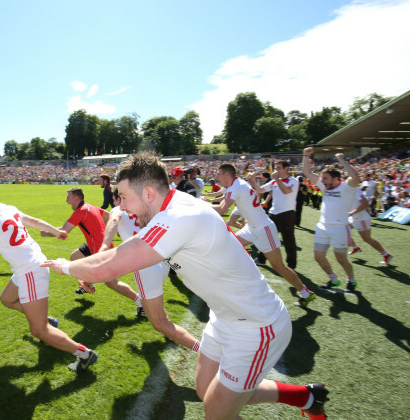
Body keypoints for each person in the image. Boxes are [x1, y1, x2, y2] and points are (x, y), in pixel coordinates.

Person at [42, 152, 329, 420]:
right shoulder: (171, 207)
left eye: (125, 197)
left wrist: (64, 266)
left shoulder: (179, 217)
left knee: (216, 408)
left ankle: (304, 398)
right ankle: (306, 397)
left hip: (256, 324)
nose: (122, 206)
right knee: (206, 392)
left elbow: (111, 266)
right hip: (224, 316)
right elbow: (127, 250)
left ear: (150, 193)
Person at [0, 177, 98, 372]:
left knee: (38, 331)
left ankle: (85, 354)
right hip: (27, 267)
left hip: (30, 270)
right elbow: (35, 222)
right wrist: (55, 232)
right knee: (7, 299)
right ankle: (45, 319)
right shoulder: (7, 208)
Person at [101, 187, 201, 351]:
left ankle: (203, 350)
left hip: (144, 267)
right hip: (160, 260)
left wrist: (105, 245)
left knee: (159, 323)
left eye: (114, 199)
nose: (114, 203)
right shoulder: (143, 207)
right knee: (158, 314)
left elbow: (113, 220)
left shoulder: (118, 209)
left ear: (119, 198)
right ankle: (172, 332)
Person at [207, 163, 315, 307]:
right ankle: (233, 283)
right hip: (252, 228)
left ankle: (305, 292)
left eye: (218, 174)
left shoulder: (236, 186)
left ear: (227, 175)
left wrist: (200, 203)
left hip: (263, 229)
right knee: (229, 246)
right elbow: (223, 198)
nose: (216, 176)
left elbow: (221, 209)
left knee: (279, 266)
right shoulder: (236, 183)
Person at [55, 187, 144, 316]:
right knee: (75, 257)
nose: (66, 201)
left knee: (111, 283)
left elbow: (64, 231)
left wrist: (47, 231)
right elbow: (109, 215)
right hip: (94, 245)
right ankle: (87, 284)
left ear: (76, 198)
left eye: (68, 198)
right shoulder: (90, 207)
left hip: (101, 249)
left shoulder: (81, 211)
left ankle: (141, 302)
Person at [302, 148, 360, 292]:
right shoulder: (324, 186)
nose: (322, 181)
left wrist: (341, 160)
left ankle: (351, 280)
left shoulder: (347, 187)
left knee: (341, 258)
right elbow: (307, 172)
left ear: (336, 178)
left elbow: (356, 176)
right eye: (322, 179)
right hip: (323, 227)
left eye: (325, 178)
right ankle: (333, 279)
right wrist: (305, 155)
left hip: (340, 228)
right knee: (318, 256)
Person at [249, 160, 299, 269]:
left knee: (288, 240)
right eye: (276, 168)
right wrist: (253, 181)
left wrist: (276, 179)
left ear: (286, 168)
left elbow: (286, 191)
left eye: (279, 168)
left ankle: (291, 264)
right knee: (266, 236)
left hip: (287, 214)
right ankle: (262, 259)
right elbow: (261, 190)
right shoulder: (273, 182)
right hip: (273, 213)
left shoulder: (293, 181)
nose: (277, 170)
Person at [347, 187, 393, 264]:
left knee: (367, 239)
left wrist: (352, 213)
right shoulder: (345, 189)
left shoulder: (355, 190)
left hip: (361, 219)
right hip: (354, 217)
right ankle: (356, 247)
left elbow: (365, 204)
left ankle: (386, 255)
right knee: (343, 231)